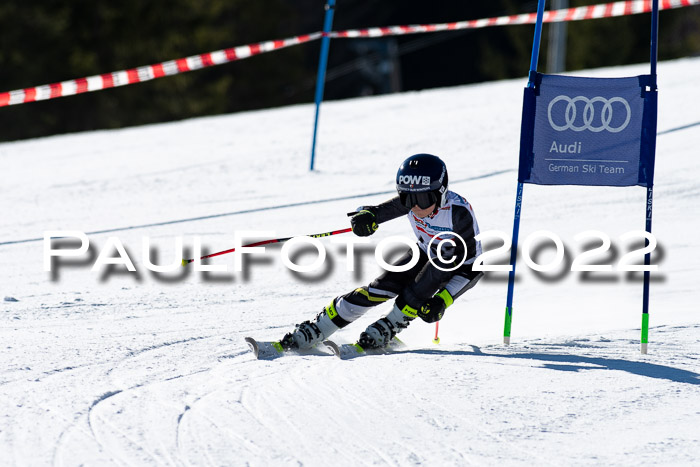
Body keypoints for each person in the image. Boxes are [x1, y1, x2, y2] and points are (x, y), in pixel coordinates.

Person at [280, 153, 483, 350]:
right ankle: (319, 327)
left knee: (424, 282)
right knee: (382, 287)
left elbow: (473, 269)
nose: (415, 207)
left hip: (459, 266)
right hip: (425, 250)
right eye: (407, 198)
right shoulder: (412, 203)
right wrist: (367, 217)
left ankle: (389, 325)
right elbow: (381, 211)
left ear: (441, 192)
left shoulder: (458, 214)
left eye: (423, 198)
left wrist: (443, 300)